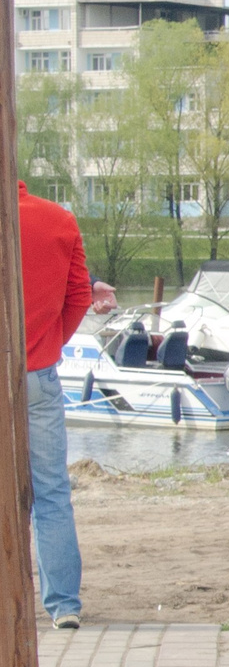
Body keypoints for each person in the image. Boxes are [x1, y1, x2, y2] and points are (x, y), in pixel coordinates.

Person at [19, 181, 113, 630]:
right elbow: (79, 296)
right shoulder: (58, 218)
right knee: (52, 491)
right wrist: (49, 345)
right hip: (36, 372)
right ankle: (63, 606)